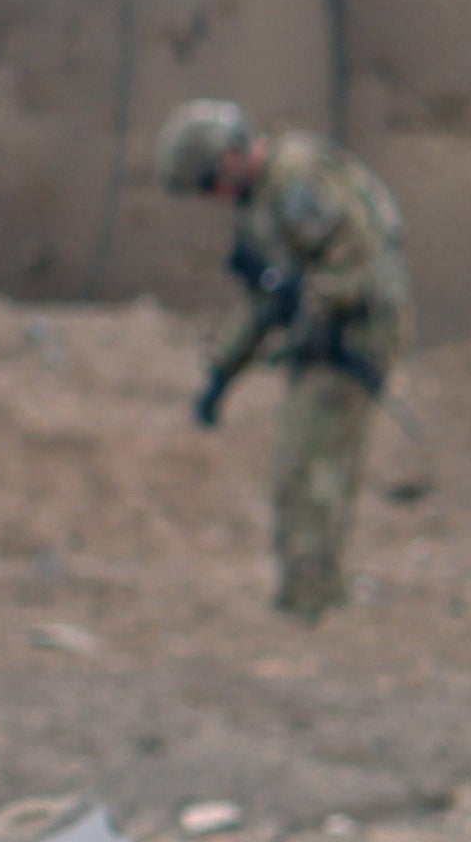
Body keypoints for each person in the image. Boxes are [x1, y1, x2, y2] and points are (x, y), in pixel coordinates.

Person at [156, 98, 410, 624]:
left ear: (229, 158)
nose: (213, 198)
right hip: (323, 340)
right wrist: (221, 372)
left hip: (354, 338)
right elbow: (264, 302)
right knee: (306, 467)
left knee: (308, 469)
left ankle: (311, 601)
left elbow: (363, 269)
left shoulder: (299, 180)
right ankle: (313, 594)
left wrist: (312, 297)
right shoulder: (261, 203)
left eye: (208, 183)